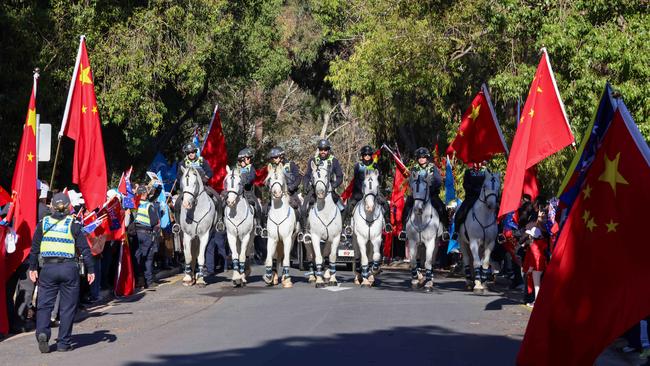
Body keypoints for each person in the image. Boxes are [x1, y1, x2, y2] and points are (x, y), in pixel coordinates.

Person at [28, 193, 95, 353]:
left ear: (52, 205)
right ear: (68, 207)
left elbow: (34, 249)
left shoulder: (43, 223)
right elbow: (85, 249)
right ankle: (63, 343)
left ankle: (43, 332)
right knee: (67, 307)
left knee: (44, 305)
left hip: (48, 269)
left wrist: (33, 268)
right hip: (69, 269)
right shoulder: (74, 223)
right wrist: (91, 270)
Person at [399, 147, 448, 238]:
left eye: (423, 157)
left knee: (441, 207)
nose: (421, 159)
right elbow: (411, 181)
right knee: (407, 206)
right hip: (417, 195)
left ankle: (445, 230)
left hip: (431, 194)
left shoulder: (433, 167)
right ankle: (404, 229)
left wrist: (430, 189)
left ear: (427, 157)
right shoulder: (414, 169)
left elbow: (438, 181)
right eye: (419, 157)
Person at [343, 145, 391, 233]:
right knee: (350, 203)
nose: (367, 157)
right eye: (365, 155)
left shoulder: (375, 165)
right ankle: (348, 224)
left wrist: (378, 173)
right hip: (360, 191)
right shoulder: (358, 166)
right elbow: (356, 180)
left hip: (373, 191)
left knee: (385, 203)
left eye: (369, 155)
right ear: (362, 156)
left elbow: (380, 180)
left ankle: (388, 223)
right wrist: (362, 190)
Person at [301, 139, 344, 234]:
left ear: (328, 150)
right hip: (314, 190)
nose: (323, 151)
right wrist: (306, 185)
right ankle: (305, 231)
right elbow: (307, 175)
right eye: (321, 149)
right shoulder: (313, 160)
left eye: (325, 149)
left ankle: (342, 231)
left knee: (343, 208)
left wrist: (334, 185)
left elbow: (340, 176)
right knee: (303, 209)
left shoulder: (334, 160)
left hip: (329, 190)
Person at [133, 185, 160, 289]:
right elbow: (154, 222)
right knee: (148, 258)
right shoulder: (149, 205)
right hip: (146, 234)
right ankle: (149, 282)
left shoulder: (134, 205)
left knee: (138, 258)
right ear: (145, 194)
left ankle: (140, 281)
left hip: (136, 234)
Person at [452, 162, 487, 240]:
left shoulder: (486, 171)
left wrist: (482, 191)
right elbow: (465, 184)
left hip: (484, 198)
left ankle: (500, 232)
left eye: (478, 162)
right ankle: (456, 232)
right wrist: (474, 190)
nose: (476, 164)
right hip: (471, 197)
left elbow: (489, 183)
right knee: (460, 212)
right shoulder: (468, 172)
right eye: (474, 162)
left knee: (496, 209)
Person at [234, 147, 265, 234]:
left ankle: (259, 225)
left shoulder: (251, 168)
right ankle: (221, 221)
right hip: (236, 192)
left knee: (257, 206)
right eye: (248, 158)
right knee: (224, 202)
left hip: (248, 192)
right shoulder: (236, 169)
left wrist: (246, 182)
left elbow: (252, 177)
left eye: (249, 158)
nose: (249, 160)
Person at [267, 146, 302, 219]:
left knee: (299, 208)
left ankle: (303, 228)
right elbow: (269, 181)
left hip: (291, 192)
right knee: (265, 209)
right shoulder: (273, 168)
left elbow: (298, 177)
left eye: (275, 157)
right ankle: (263, 228)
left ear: (281, 156)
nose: (274, 160)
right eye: (273, 158)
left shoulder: (290, 165)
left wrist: (292, 187)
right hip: (277, 193)